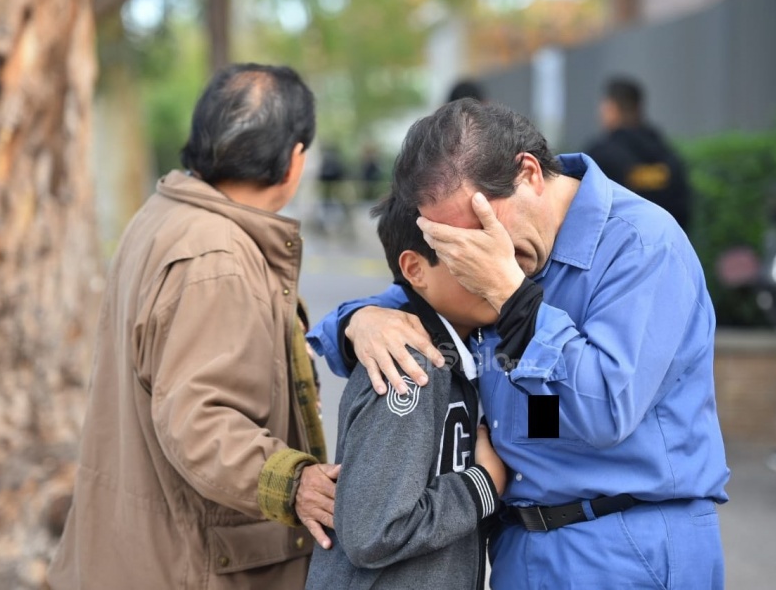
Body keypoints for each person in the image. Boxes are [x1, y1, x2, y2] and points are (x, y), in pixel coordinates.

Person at [307, 98, 730, 589]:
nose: (473, 260)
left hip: (625, 545)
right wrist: (360, 320)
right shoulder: (484, 260)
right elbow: (382, 320)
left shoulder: (641, 246)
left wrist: (512, 296)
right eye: (454, 248)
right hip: (518, 548)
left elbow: (604, 411)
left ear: (528, 173)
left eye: (480, 234)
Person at [48, 63, 340, 590]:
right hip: (184, 567)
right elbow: (198, 420)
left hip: (133, 553)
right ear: (295, 160)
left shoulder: (163, 215)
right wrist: (292, 481)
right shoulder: (217, 257)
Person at [305, 194, 505, 589]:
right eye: (468, 252)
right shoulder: (410, 363)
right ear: (415, 268)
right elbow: (372, 531)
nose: (496, 267)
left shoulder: (465, 351)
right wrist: (484, 484)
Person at [585, 76, 692, 232]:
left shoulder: (600, 156)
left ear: (611, 109)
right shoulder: (667, 155)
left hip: (618, 248)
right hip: (665, 245)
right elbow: (683, 210)